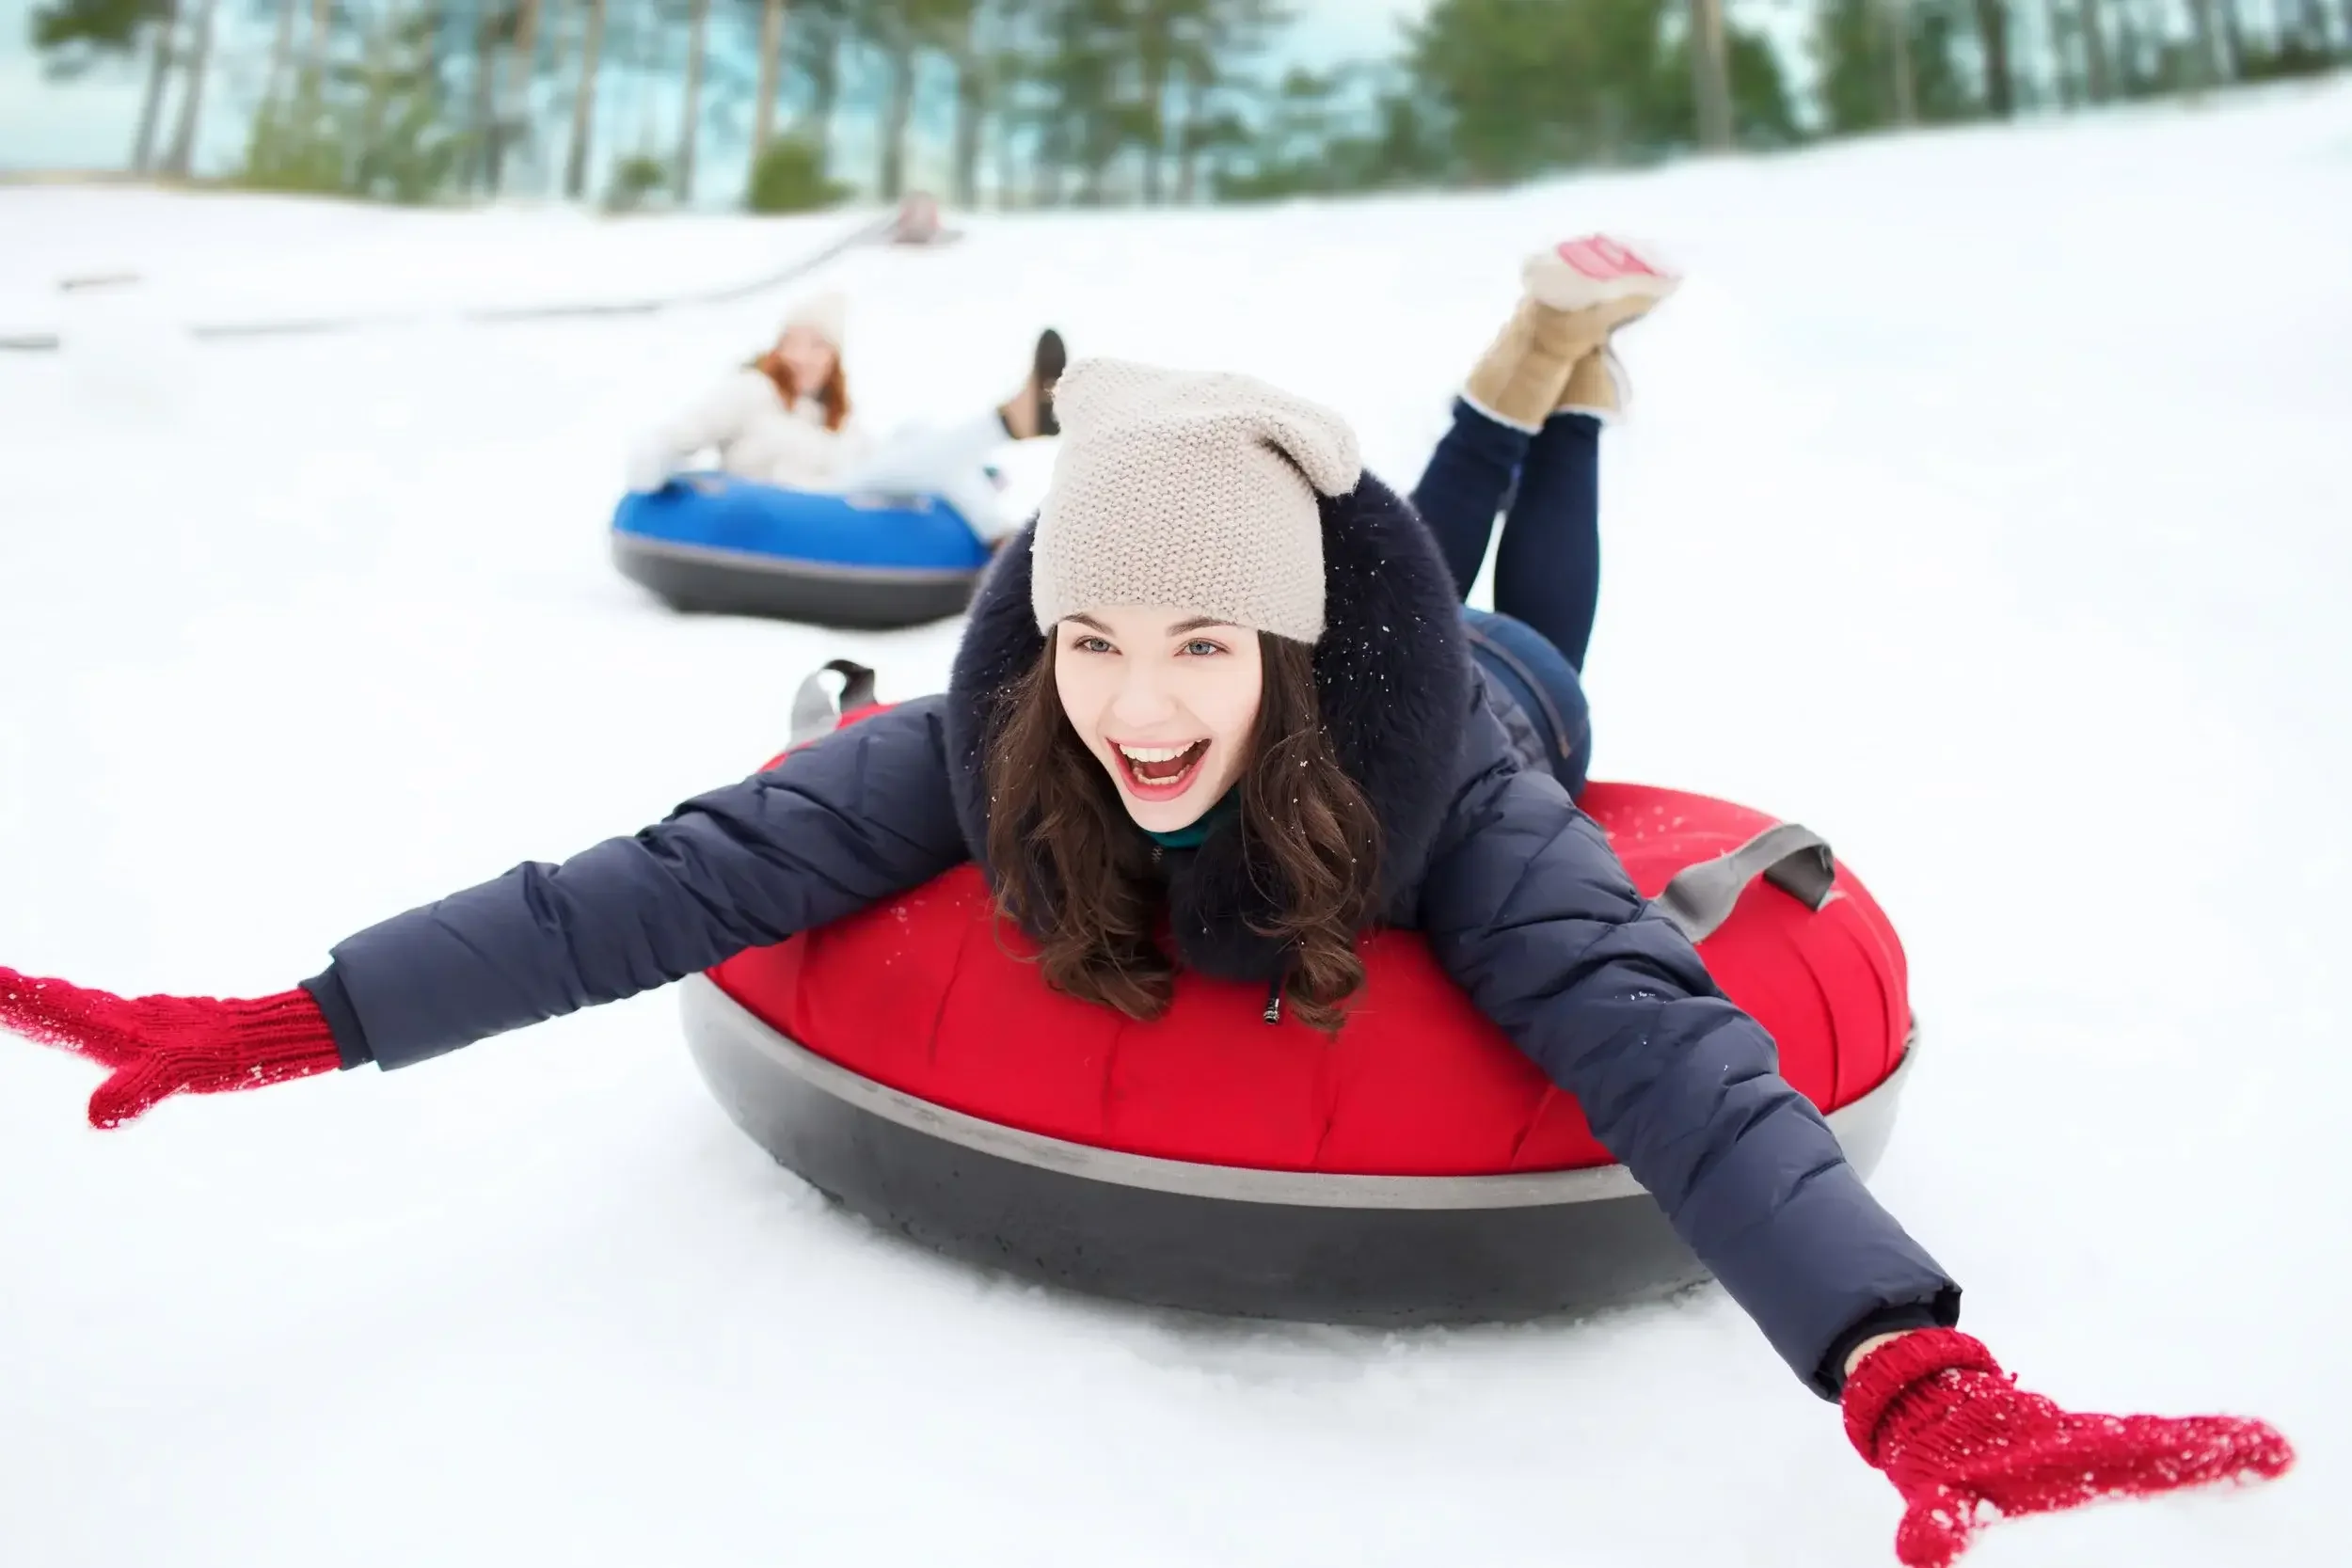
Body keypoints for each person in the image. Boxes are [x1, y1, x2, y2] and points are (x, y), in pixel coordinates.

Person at [0, 238, 2292, 1568]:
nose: (1136, 705)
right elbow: (680, 877)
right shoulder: (1004, 725)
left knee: (1549, 637)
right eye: (1097, 643)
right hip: (1328, 593)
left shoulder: (1455, 807)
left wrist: (1901, 1359)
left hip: (1474, 696)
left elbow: (1667, 1044)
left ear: (1279, 655)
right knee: (1293, 609)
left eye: (1195, 649)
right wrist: (295, 1019)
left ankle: (1558, 391)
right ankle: (1527, 367)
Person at [626, 290, 1065, 546]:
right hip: (796, 508)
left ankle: (1000, 538)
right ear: (775, 348)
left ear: (834, 358)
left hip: (847, 500)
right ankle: (1007, 422)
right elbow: (683, 433)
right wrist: (651, 469)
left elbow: (891, 464)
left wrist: (970, 472)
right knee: (903, 457)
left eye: (817, 346)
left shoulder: (837, 417)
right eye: (792, 343)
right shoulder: (751, 390)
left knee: (915, 435)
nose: (802, 357)